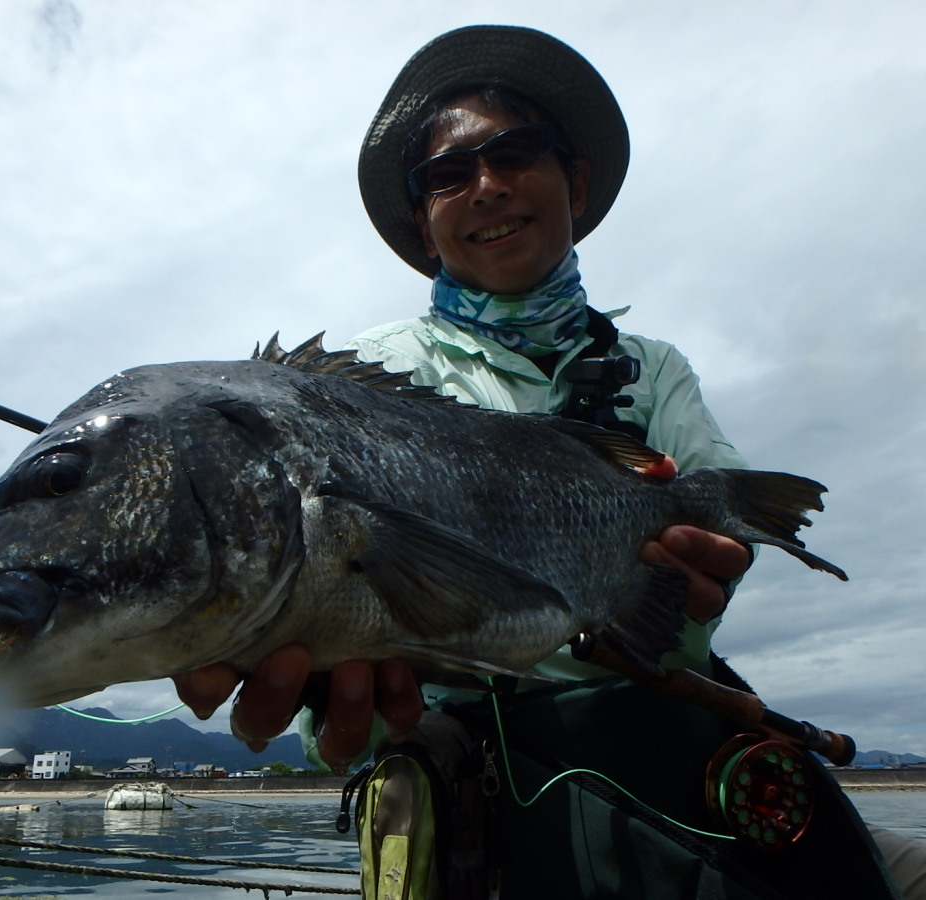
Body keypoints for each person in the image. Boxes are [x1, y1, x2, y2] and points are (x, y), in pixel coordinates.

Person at [174, 25, 921, 899]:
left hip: (666, 759)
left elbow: (717, 551)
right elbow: (339, 677)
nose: (486, 186)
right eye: (449, 174)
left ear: (577, 181)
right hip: (469, 797)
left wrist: (710, 568)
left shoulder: (652, 369)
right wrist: (331, 707)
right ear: (423, 223)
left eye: (514, 152)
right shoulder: (359, 383)